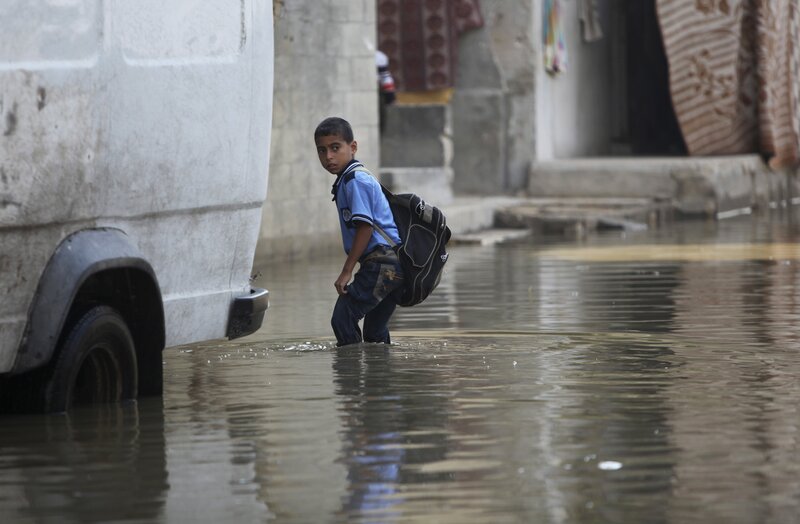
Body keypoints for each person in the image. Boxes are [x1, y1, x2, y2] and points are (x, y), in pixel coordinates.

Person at [314, 117, 404, 347]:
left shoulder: (355, 180)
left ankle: (351, 378)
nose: (329, 157)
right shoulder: (348, 178)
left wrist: (346, 271)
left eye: (335, 148)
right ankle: (381, 380)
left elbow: (364, 227)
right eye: (322, 150)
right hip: (392, 264)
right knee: (374, 333)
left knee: (343, 318)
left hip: (383, 262)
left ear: (352, 147)